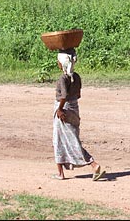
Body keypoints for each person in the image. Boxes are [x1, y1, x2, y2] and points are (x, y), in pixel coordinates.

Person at [51, 48, 106, 181]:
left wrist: (60, 109)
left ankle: (89, 165)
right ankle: (89, 165)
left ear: (61, 64)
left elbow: (63, 95)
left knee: (59, 140)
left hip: (63, 109)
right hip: (74, 108)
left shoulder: (63, 79)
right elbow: (78, 94)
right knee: (72, 138)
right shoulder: (76, 77)